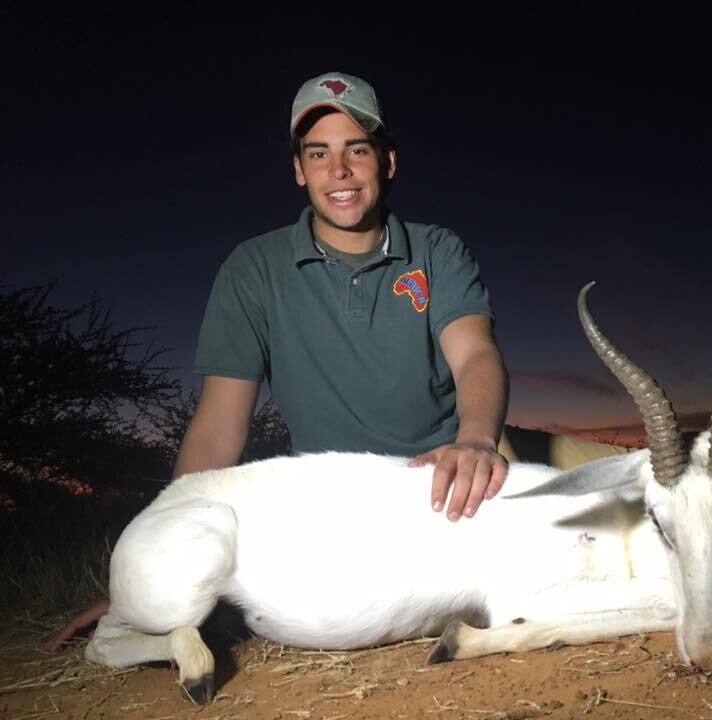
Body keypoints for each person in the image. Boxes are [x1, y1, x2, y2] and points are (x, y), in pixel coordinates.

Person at [42, 71, 510, 652]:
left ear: (387, 161)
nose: (338, 170)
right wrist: (149, 573)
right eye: (319, 153)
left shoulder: (438, 249)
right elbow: (217, 429)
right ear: (298, 169)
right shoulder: (252, 268)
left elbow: (476, 355)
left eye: (356, 150)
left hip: (453, 474)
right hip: (336, 496)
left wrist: (477, 441)